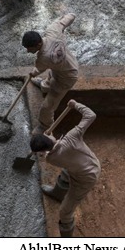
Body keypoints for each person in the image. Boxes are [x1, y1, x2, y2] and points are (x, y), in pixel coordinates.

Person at [29, 99, 101, 237]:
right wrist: (75, 105)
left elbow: (52, 150)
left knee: (65, 212)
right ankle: (58, 193)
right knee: (66, 172)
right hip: (88, 164)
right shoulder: (73, 136)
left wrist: (45, 145)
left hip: (86, 179)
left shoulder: (50, 158)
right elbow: (91, 115)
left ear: (43, 151)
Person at [22, 13, 79, 132]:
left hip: (67, 78)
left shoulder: (43, 58)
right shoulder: (53, 30)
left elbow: (39, 69)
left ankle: (45, 125)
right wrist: (71, 15)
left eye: (29, 48)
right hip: (67, 64)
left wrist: (33, 73)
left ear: (38, 44)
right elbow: (66, 20)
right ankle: (44, 86)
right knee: (51, 76)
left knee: (47, 106)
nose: (27, 51)